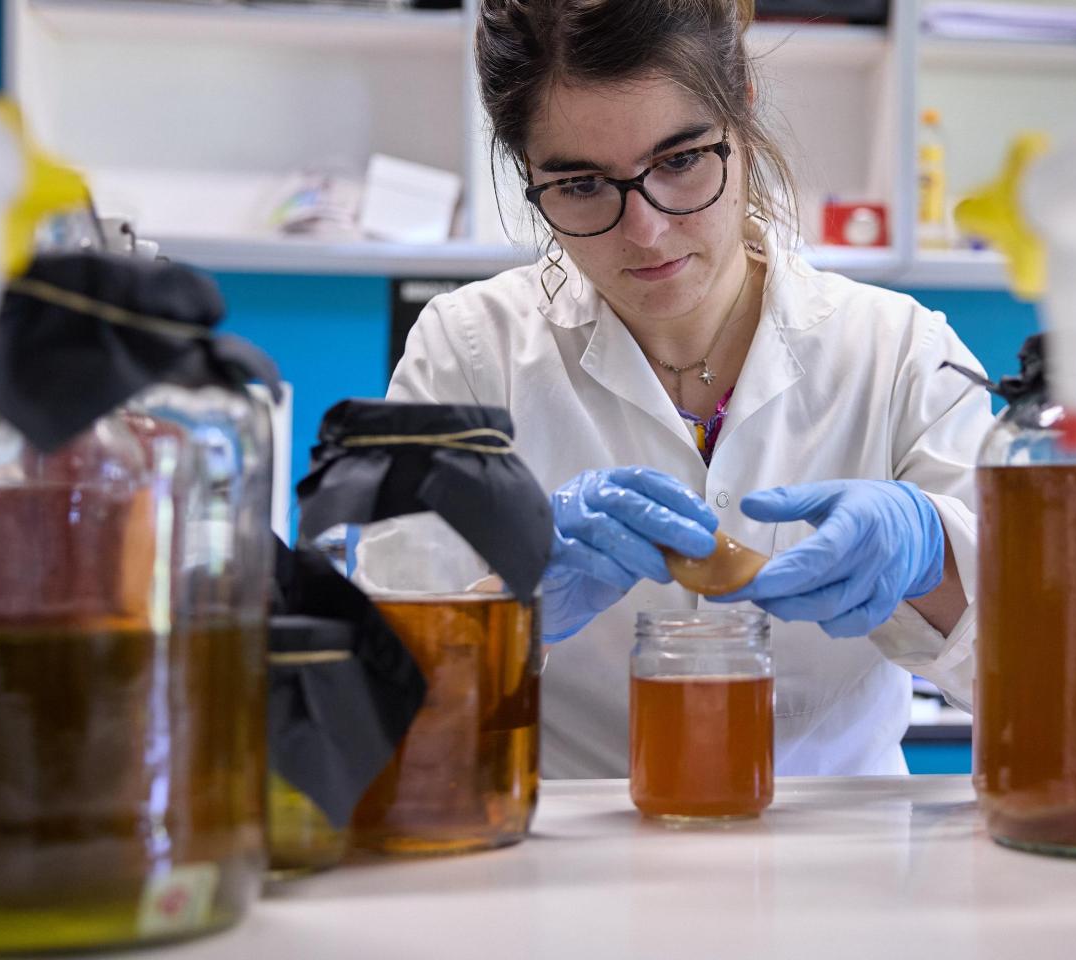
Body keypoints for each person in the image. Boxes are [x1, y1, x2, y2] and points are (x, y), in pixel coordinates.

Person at [389, 0, 993, 778]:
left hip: (841, 872)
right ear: (527, 173)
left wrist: (933, 558)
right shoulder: (469, 353)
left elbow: (1061, 674)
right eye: (580, 185)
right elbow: (372, 687)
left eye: (679, 161)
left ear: (740, 108)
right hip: (566, 873)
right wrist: (500, 607)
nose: (645, 229)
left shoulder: (901, 352)